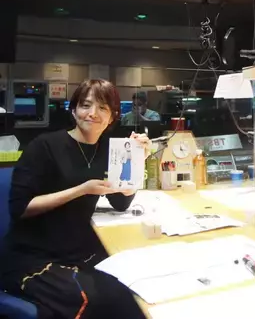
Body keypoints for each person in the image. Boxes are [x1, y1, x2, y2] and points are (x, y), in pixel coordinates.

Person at [0, 79, 149, 319]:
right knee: (98, 298)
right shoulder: (44, 146)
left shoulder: (110, 150)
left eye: (102, 108)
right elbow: (21, 207)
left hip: (77, 252)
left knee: (133, 287)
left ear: (112, 116)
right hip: (33, 255)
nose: (92, 113)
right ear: (73, 110)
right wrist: (81, 190)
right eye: (85, 105)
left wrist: (137, 160)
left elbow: (120, 202)